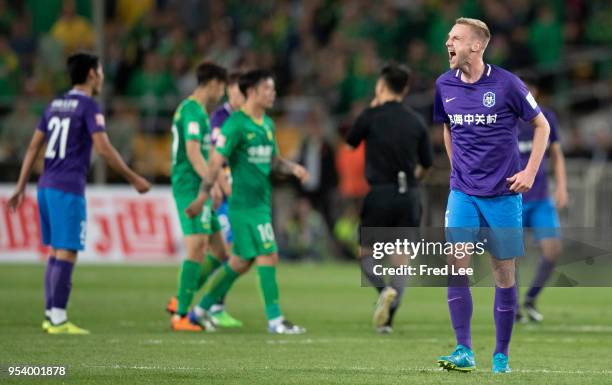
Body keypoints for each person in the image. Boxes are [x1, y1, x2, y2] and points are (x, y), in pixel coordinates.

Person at [433, 18, 550, 373]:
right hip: (463, 193)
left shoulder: (507, 84)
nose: (448, 43)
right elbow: (447, 128)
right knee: (456, 264)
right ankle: (463, 348)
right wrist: (457, 170)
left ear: (477, 46)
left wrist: (529, 171)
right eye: (448, 38)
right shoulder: (443, 84)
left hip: (502, 195)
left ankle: (501, 355)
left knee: (503, 274)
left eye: (456, 38)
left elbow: (542, 125)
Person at [7, 52, 151, 334]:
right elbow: (104, 148)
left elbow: (34, 146)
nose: (103, 76)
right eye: (100, 70)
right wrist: (133, 178)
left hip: (46, 186)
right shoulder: (88, 106)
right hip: (67, 187)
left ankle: (51, 315)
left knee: (56, 251)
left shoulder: (53, 105)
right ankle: (58, 318)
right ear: (91, 74)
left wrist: (22, 185)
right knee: (68, 250)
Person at [185, 69, 310, 334]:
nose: (273, 94)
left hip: (262, 202)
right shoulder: (235, 125)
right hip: (242, 205)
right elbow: (215, 162)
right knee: (269, 254)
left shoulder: (267, 124)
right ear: (251, 92)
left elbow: (273, 160)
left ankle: (199, 310)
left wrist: (292, 168)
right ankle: (275, 320)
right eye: (268, 89)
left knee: (240, 262)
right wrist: (203, 196)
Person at [346, 62, 433, 333]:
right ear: (405, 89)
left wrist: (372, 107)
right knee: (401, 260)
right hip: (409, 195)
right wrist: (413, 179)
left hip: (380, 193)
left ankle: (383, 291)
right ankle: (389, 320)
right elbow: (426, 164)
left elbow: (350, 141)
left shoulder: (371, 115)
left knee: (365, 255)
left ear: (381, 85)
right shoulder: (416, 120)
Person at [166, 61, 241, 331]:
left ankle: (179, 299)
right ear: (213, 84)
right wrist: (211, 185)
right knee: (197, 247)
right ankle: (182, 315)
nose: (221, 94)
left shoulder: (199, 112)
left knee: (221, 251)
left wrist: (215, 185)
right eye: (221, 87)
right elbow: (194, 153)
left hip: (202, 186)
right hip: (189, 187)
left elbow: (208, 155)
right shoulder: (192, 111)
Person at [516, 74, 568, 322]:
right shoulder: (503, 121)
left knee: (553, 249)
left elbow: (556, 154)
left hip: (540, 198)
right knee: (507, 256)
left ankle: (531, 298)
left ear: (535, 92)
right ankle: (511, 306)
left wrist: (561, 187)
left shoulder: (546, 118)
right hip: (511, 199)